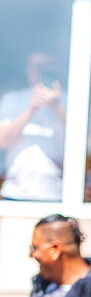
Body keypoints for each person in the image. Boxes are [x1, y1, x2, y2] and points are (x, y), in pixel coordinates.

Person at [0, 52, 65, 201]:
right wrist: (32, 108)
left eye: (47, 67)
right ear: (27, 70)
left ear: (56, 70)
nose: (42, 71)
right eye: (37, 67)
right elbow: (2, 141)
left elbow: (85, 145)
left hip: (56, 195)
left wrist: (56, 107)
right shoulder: (13, 100)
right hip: (15, 192)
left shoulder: (69, 100)